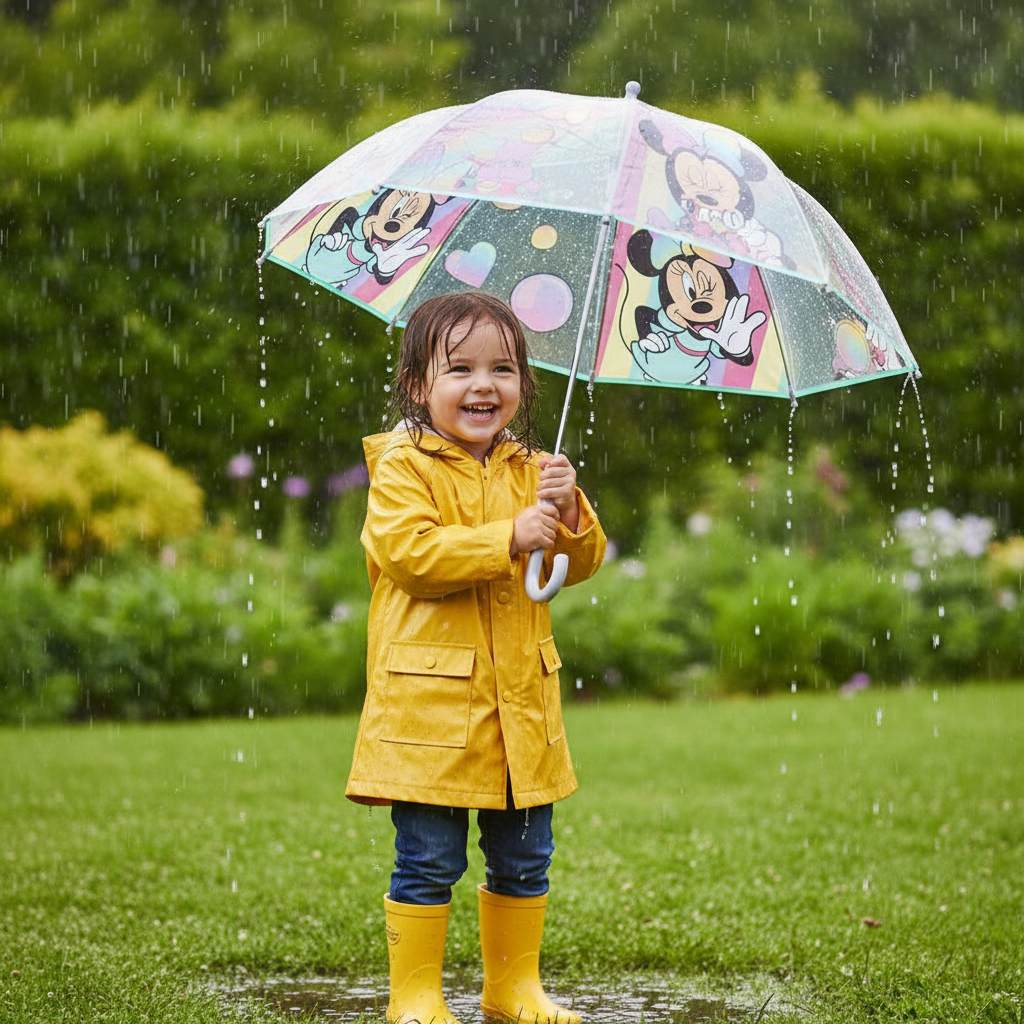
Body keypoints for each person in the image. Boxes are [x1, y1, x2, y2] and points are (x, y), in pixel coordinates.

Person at [345, 292, 607, 1024]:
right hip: (431, 713)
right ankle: (416, 997)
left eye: (504, 367)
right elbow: (411, 555)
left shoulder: (535, 469)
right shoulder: (402, 466)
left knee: (525, 859)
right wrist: (507, 537)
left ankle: (514, 989)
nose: (483, 385)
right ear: (416, 386)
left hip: (520, 710)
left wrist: (570, 510)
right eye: (459, 368)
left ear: (524, 384)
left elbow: (577, 564)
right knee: (429, 860)